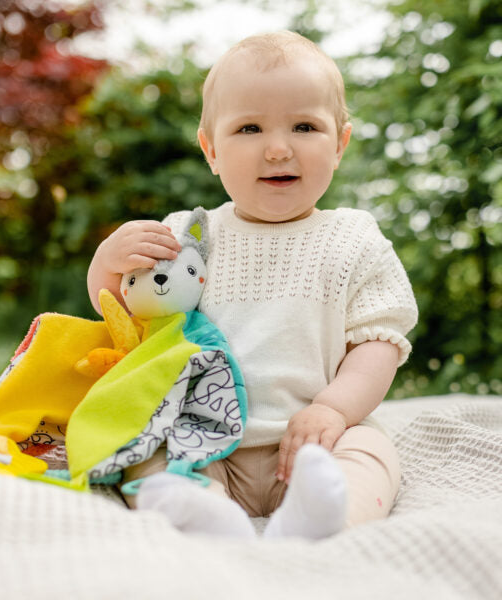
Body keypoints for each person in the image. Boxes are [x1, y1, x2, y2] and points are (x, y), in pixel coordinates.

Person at [86, 30, 418, 539]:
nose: (279, 149)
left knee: (370, 451)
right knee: (148, 451)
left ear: (339, 144)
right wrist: (107, 264)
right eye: (249, 128)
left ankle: (324, 517)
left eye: (305, 126)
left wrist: (334, 409)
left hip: (317, 438)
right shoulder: (189, 237)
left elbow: (379, 343)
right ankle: (202, 511)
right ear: (211, 150)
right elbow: (127, 316)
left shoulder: (354, 239)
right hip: (200, 437)